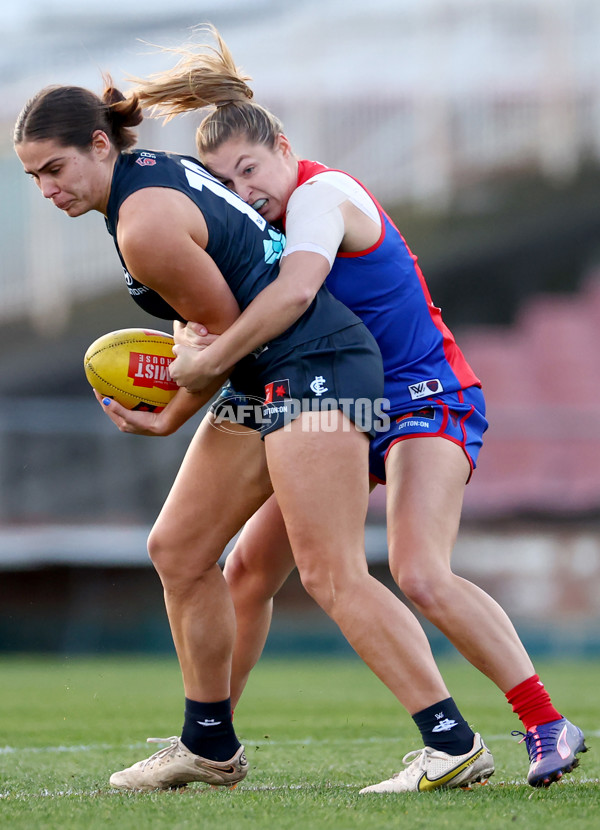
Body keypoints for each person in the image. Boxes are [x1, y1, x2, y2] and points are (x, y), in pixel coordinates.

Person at [125, 25, 587, 791]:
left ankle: (546, 722)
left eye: (250, 169)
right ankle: (207, 742)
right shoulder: (259, 227)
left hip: (420, 400)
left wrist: (203, 354)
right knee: (244, 570)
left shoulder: (322, 195)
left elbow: (298, 291)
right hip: (337, 406)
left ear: (282, 144)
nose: (246, 193)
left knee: (419, 570)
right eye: (227, 184)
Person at [13, 77, 494, 794]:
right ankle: (208, 744)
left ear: (101, 144)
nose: (48, 188)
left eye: (56, 168)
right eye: (33, 177)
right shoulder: (152, 179)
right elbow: (211, 333)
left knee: (330, 570)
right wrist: (175, 409)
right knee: (178, 549)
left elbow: (217, 330)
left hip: (316, 363)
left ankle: (453, 744)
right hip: (265, 369)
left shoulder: (141, 224)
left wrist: (180, 399)